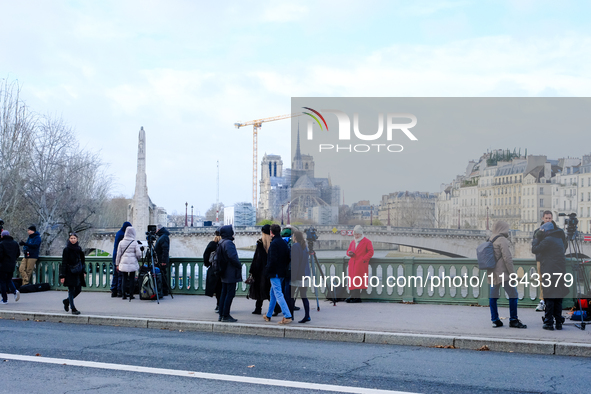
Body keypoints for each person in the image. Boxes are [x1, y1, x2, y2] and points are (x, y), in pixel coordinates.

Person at [488, 221, 527, 328]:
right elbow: (507, 258)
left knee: (493, 297)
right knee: (513, 295)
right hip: (502, 274)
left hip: (492, 273)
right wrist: (513, 274)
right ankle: (513, 319)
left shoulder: (491, 238)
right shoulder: (502, 240)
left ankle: (495, 319)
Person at [532, 221, 569, 330]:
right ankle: (558, 322)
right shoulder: (558, 239)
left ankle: (548, 322)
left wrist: (537, 238)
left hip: (549, 272)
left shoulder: (548, 240)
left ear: (546, 231)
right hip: (560, 272)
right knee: (558, 298)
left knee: (549, 297)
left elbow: (534, 249)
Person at [532, 211, 564, 312]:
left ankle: (550, 303)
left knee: (554, 282)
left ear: (552, 218)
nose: (548, 220)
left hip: (553, 260)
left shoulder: (557, 231)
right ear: (543, 218)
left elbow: (564, 244)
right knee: (542, 281)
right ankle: (543, 300)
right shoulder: (538, 231)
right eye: (546, 218)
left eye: (550, 218)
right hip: (541, 259)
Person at [264, 224, 293, 324]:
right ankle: (268, 315)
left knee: (278, 294)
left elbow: (272, 260)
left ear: (271, 232)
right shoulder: (283, 243)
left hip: (274, 272)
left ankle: (287, 315)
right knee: (273, 293)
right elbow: (288, 258)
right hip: (282, 272)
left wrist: (267, 271)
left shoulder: (274, 244)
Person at [217, 225, 242, 322]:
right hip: (230, 272)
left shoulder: (221, 242)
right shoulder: (228, 243)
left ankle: (221, 314)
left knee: (224, 293)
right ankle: (226, 314)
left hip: (223, 272)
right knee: (230, 294)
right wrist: (239, 265)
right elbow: (232, 257)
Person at [345, 225, 374, 303]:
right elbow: (348, 251)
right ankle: (353, 296)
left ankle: (356, 297)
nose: (356, 236)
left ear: (361, 234)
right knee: (352, 280)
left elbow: (371, 252)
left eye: (358, 234)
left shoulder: (367, 241)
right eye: (355, 234)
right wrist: (349, 253)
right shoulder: (353, 242)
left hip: (360, 264)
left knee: (357, 280)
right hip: (353, 263)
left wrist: (363, 259)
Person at [59, 233, 86, 315]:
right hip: (69, 272)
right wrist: (62, 275)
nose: (73, 239)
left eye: (74, 238)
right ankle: (73, 308)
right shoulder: (66, 249)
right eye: (71, 238)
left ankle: (66, 301)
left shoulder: (79, 249)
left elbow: (82, 261)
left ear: (77, 239)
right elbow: (64, 263)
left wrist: (84, 271)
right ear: (69, 239)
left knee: (78, 289)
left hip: (78, 272)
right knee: (71, 290)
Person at [248, 224, 272, 315]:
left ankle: (258, 308)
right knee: (268, 290)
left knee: (260, 289)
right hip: (269, 270)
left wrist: (252, 271)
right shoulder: (272, 243)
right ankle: (276, 307)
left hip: (260, 272)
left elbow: (256, 259)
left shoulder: (260, 243)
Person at [115, 226, 142, 301]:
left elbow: (118, 255)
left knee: (124, 278)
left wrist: (117, 264)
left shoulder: (121, 242)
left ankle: (123, 295)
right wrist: (137, 259)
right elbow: (139, 254)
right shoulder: (134, 242)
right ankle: (131, 294)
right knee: (132, 279)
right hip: (132, 263)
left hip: (123, 262)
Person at [291, 230, 311, 323]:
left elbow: (295, 263)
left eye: (293, 236)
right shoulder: (305, 247)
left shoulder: (295, 246)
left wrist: (293, 277)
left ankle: (290, 316)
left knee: (291, 296)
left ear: (295, 237)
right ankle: (307, 315)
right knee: (304, 296)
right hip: (305, 275)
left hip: (298, 275)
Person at [203, 230, 223, 312]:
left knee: (216, 288)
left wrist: (208, 264)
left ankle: (218, 304)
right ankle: (220, 304)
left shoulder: (212, 244)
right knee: (221, 289)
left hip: (213, 269)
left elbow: (205, 256)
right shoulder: (224, 244)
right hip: (222, 269)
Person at [110, 222, 131, 297]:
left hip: (115, 254)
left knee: (115, 273)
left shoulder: (119, 233)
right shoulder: (123, 235)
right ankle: (119, 290)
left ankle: (113, 290)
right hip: (119, 255)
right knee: (120, 273)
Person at [0, 230, 20, 305]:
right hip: (12, 264)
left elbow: (0, 256)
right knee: (8, 279)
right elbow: (18, 253)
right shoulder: (15, 243)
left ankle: (4, 299)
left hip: (3, 265)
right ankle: (15, 291)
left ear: (2, 236)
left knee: (2, 281)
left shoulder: (1, 244)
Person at [154, 226, 171, 296]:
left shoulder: (163, 237)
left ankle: (164, 290)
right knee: (162, 275)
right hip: (160, 260)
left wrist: (163, 261)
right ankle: (162, 290)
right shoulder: (162, 236)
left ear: (159, 230)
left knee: (162, 275)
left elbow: (165, 249)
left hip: (161, 260)